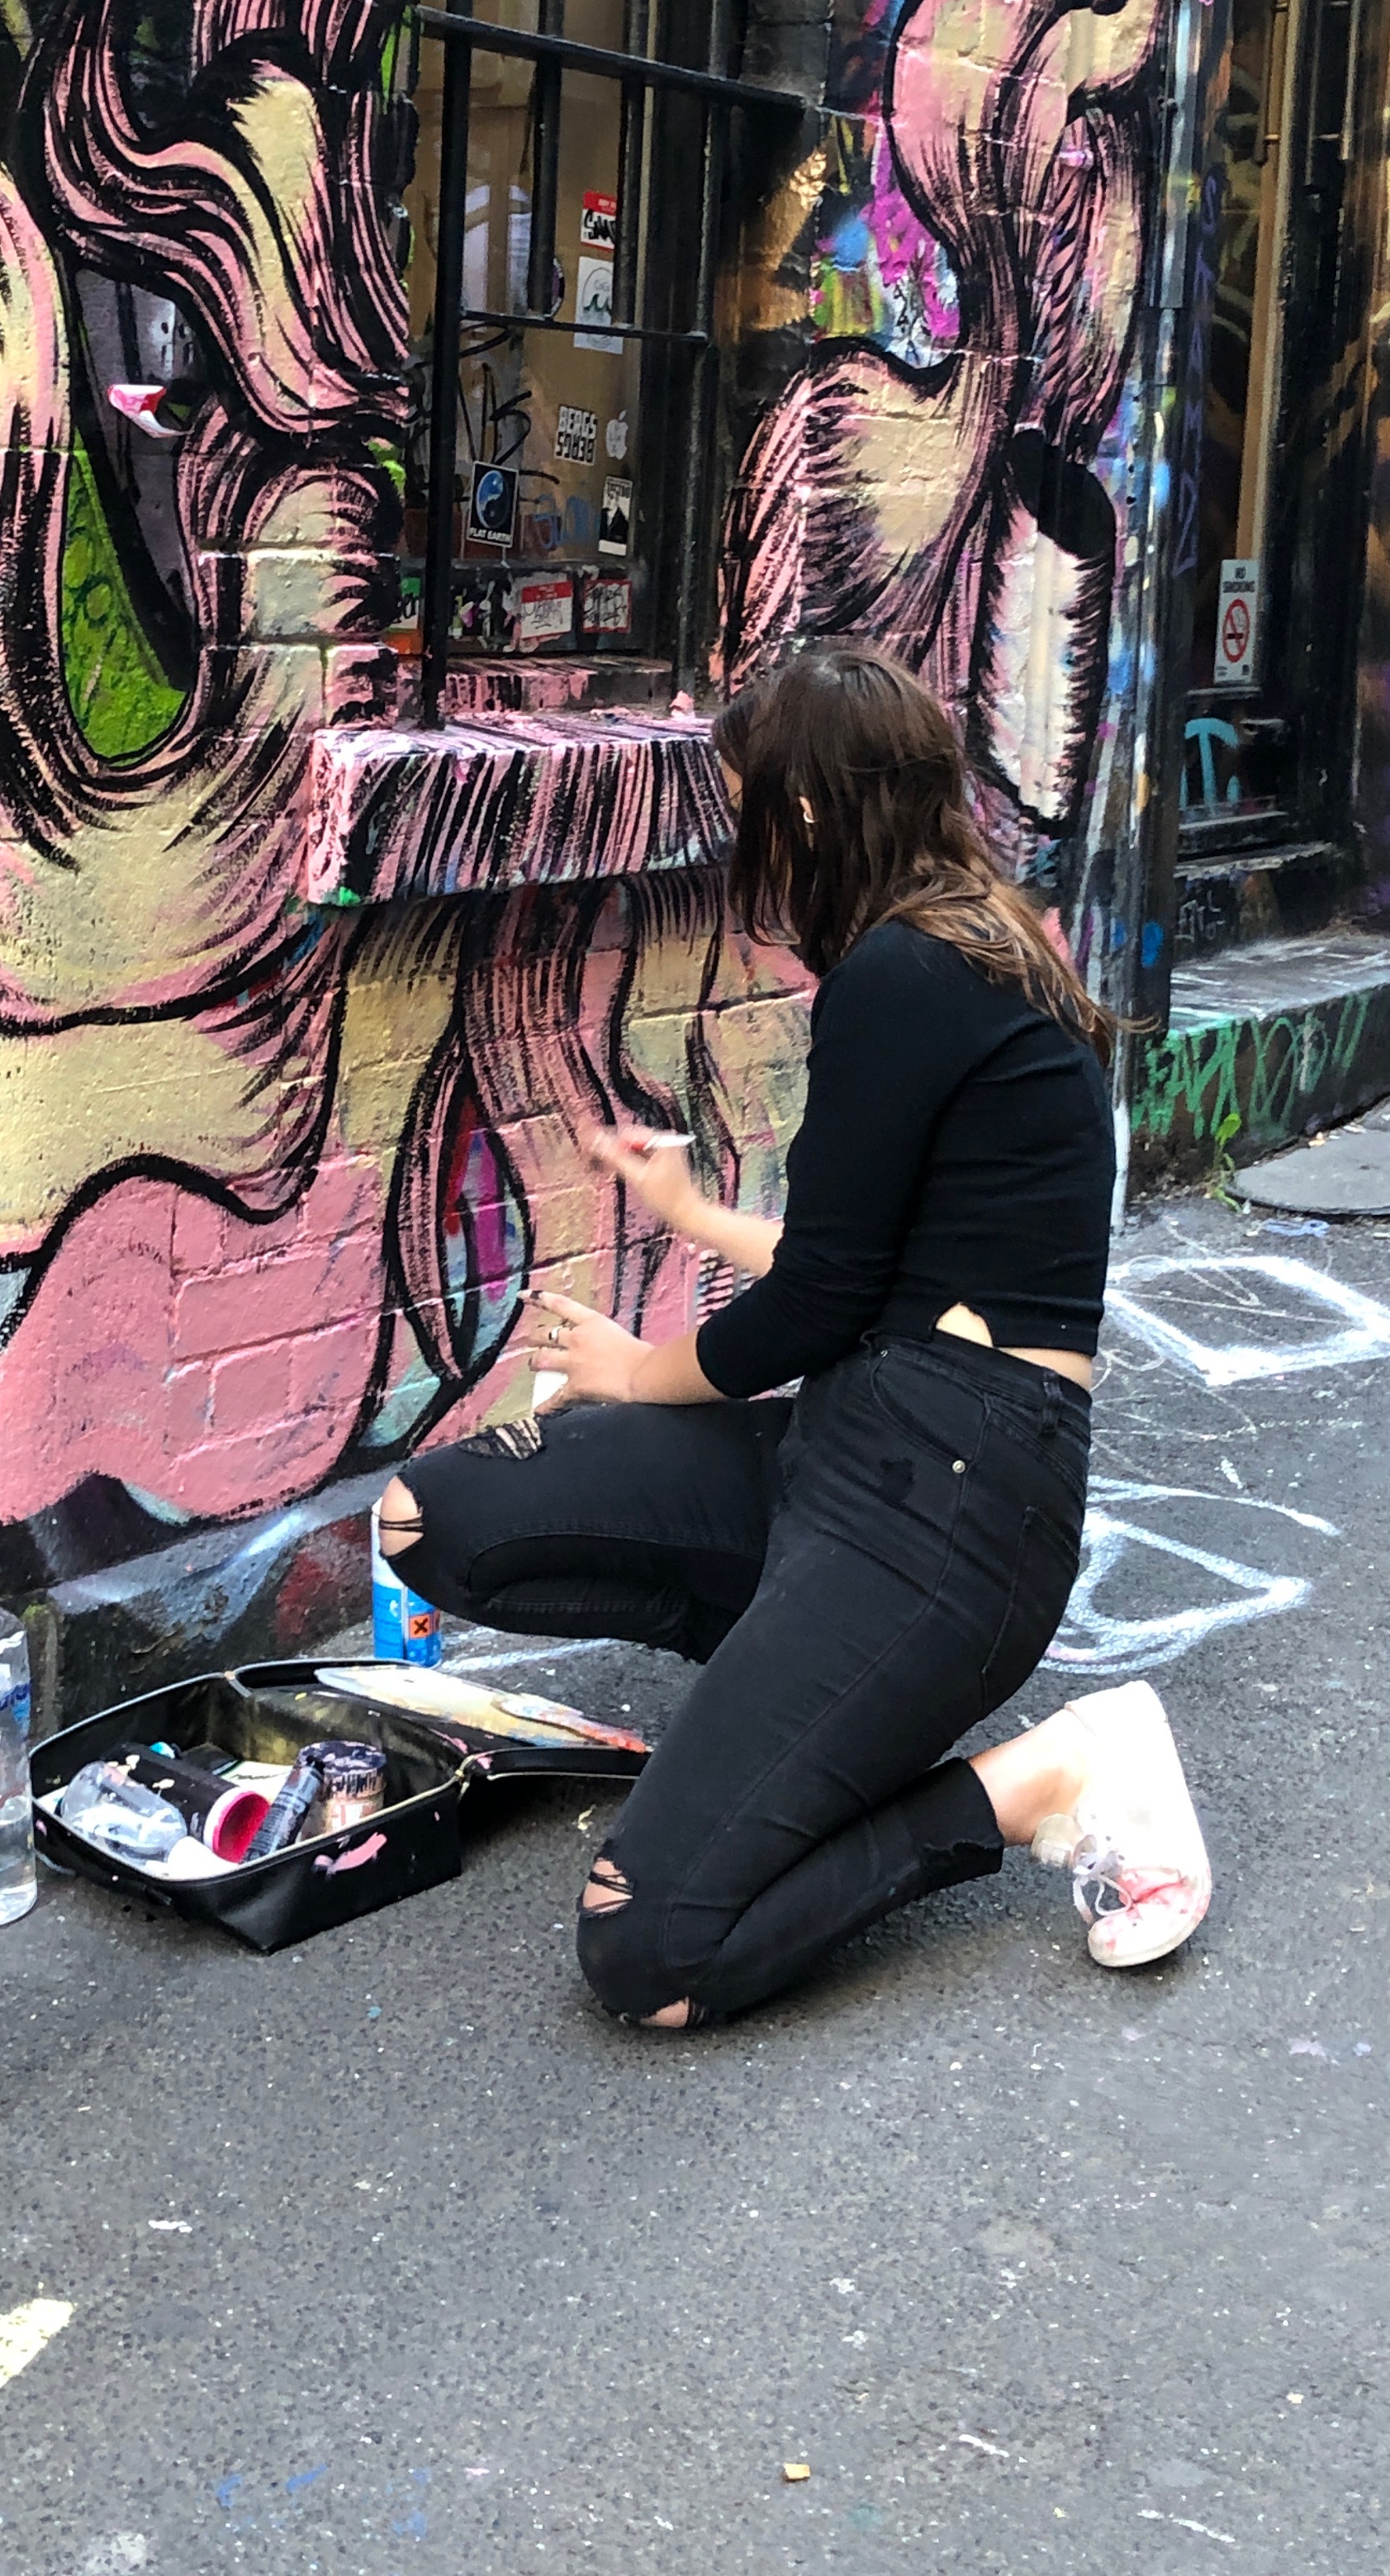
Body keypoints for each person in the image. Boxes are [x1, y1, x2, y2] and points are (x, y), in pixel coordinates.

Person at [375, 642, 1209, 2028]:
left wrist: (639, 1375)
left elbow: (821, 1307)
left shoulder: (905, 971)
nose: (746, 842)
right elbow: (887, 1268)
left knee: (652, 1957)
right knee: (434, 1520)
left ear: (809, 812)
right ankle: (811, 1712)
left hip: (951, 1501)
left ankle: (1046, 1776)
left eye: (753, 806)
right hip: (872, 1438)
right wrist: (696, 1217)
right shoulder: (968, 946)